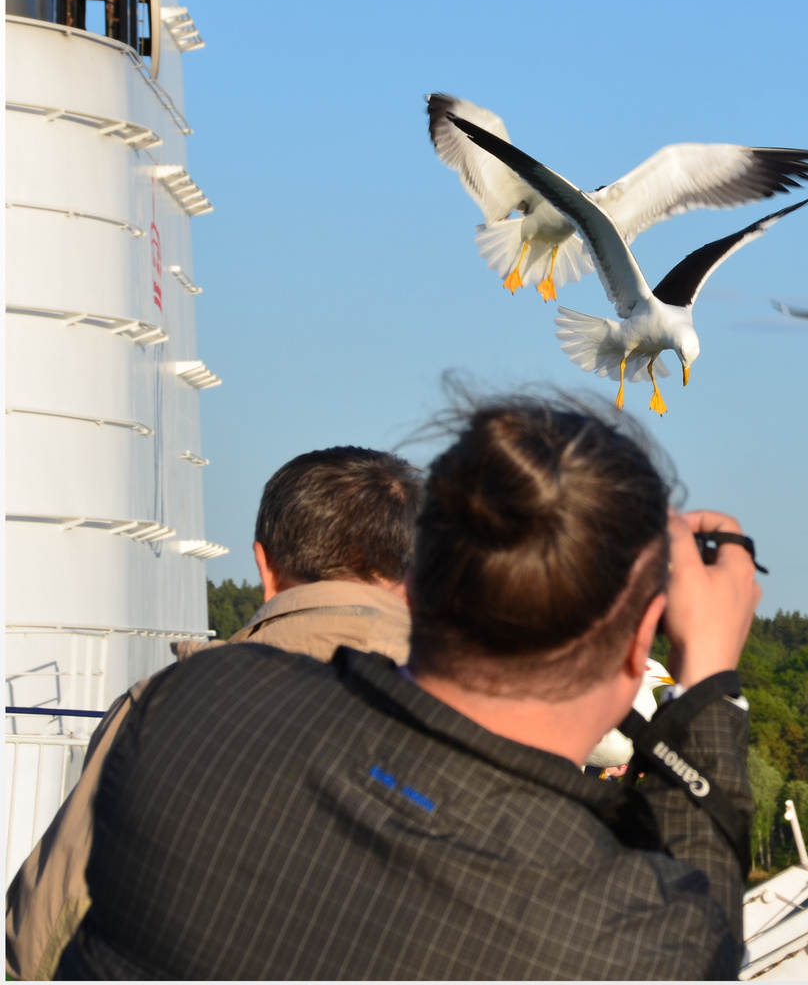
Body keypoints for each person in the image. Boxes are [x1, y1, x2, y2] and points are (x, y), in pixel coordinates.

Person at [56, 394, 761, 980]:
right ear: (643, 638)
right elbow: (698, 936)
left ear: (416, 581)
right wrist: (707, 681)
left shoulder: (194, 703)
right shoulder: (620, 941)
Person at [4, 447, 423, 981]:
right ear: (413, 575)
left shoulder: (158, 709)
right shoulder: (498, 712)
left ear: (265, 567)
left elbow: (44, 942)